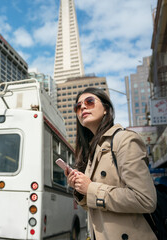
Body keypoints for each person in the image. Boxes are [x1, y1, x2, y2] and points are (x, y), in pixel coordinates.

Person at [64, 87, 157, 240]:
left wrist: (91, 188)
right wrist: (80, 189)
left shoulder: (124, 139)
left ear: (106, 109)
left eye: (89, 102)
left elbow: (145, 200)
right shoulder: (92, 151)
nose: (83, 107)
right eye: (78, 106)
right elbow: (97, 206)